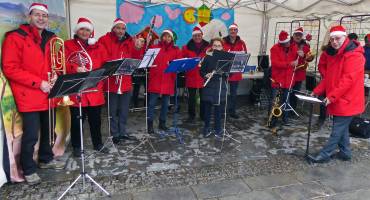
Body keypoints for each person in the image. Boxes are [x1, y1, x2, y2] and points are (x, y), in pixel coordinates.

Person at [1, 2, 65, 184]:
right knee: (30, 135)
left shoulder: (52, 38)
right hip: (29, 94)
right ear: (29, 17)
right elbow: (10, 68)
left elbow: (56, 65)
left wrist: (56, 76)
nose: (41, 18)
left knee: (49, 130)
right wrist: (39, 83)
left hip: (49, 92)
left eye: (44, 15)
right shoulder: (15, 37)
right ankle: (28, 168)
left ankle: (45, 159)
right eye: (37, 15)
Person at [310, 25, 365, 163]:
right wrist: (316, 91)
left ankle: (325, 155)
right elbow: (329, 77)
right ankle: (345, 153)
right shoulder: (336, 54)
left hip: (348, 100)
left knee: (337, 130)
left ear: (345, 37)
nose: (334, 41)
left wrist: (331, 96)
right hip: (339, 99)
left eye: (337, 38)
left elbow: (348, 80)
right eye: (332, 39)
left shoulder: (354, 55)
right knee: (342, 128)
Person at [64, 17, 108, 157]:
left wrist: (101, 77)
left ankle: (98, 143)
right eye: (82, 29)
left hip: (94, 90)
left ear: (91, 32)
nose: (84, 32)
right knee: (77, 121)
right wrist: (75, 68)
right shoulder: (68, 45)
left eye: (87, 29)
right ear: (77, 30)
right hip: (77, 89)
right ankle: (77, 146)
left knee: (96, 121)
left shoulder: (99, 46)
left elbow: (105, 65)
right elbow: (62, 64)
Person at [98, 18, 136, 144]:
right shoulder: (104, 40)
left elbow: (135, 58)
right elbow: (101, 57)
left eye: (123, 28)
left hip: (125, 81)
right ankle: (114, 134)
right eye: (118, 28)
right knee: (112, 110)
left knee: (124, 109)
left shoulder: (130, 41)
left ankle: (123, 131)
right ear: (113, 28)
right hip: (111, 81)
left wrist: (139, 48)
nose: (120, 31)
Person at [147, 29, 181, 134]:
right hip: (156, 79)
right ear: (162, 37)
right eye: (165, 36)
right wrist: (147, 44)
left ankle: (162, 123)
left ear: (172, 39)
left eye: (169, 37)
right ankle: (150, 125)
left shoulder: (176, 50)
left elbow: (178, 64)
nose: (167, 38)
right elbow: (146, 57)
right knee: (151, 103)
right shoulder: (154, 48)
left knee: (166, 104)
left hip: (168, 79)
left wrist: (174, 65)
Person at [269, 31, 299, 126]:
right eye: (286, 42)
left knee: (286, 100)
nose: (288, 43)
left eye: (289, 41)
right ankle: (272, 120)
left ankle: (285, 119)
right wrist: (289, 64)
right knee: (275, 101)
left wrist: (302, 56)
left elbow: (298, 61)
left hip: (288, 79)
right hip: (278, 79)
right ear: (282, 43)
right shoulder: (274, 49)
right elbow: (275, 63)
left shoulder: (294, 47)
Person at [200, 38, 228, 138]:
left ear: (222, 47)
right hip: (209, 86)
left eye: (219, 46)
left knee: (218, 109)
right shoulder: (207, 57)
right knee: (207, 108)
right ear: (212, 46)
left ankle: (218, 128)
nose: (216, 47)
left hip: (220, 85)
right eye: (215, 45)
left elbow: (229, 75)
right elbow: (201, 71)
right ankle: (206, 127)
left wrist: (226, 73)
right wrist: (205, 75)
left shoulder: (226, 58)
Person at [182, 26, 209, 122]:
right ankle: (191, 115)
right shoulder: (186, 47)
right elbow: (183, 60)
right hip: (191, 75)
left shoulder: (208, 47)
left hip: (204, 76)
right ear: (192, 37)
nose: (197, 37)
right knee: (191, 98)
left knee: (204, 97)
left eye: (199, 35)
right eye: (195, 36)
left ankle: (203, 115)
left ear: (202, 35)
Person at [222, 23, 247, 119]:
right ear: (229, 31)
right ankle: (222, 111)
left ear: (237, 31)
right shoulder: (223, 42)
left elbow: (244, 55)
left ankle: (232, 111)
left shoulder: (242, 43)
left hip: (236, 72)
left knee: (233, 93)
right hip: (225, 71)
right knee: (223, 92)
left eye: (234, 30)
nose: (233, 31)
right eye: (231, 30)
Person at [290, 27, 314, 111]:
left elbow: (310, 58)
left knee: (295, 93)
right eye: (296, 35)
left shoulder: (306, 46)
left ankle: (292, 110)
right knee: (287, 93)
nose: (298, 37)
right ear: (293, 35)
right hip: (288, 73)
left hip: (299, 74)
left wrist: (304, 56)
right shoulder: (288, 45)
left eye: (300, 35)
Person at [131, 35, 146, 108]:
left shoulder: (145, 49)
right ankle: (135, 103)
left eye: (143, 41)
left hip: (143, 71)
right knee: (136, 87)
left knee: (147, 85)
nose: (143, 43)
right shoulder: (134, 49)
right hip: (136, 71)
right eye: (141, 41)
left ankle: (146, 103)